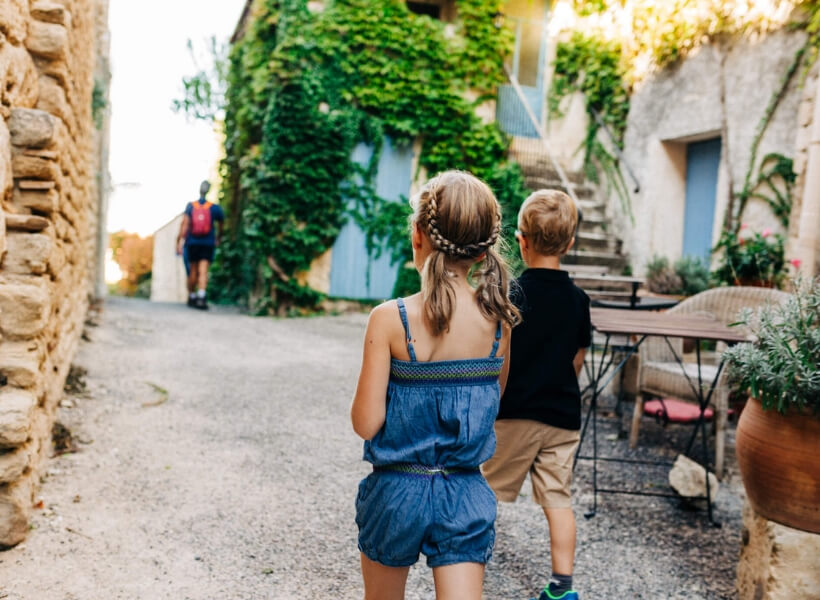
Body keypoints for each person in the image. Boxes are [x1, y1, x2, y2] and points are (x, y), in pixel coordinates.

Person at [351, 171, 520, 600]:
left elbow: (367, 424)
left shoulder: (390, 319)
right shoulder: (498, 321)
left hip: (396, 493)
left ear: (419, 235)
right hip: (464, 491)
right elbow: (489, 404)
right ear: (485, 247)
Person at [482, 189, 591, 600]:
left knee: (485, 490)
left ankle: (469, 561)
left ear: (521, 241)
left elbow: (497, 355)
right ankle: (562, 587)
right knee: (558, 499)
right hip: (562, 417)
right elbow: (578, 357)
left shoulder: (512, 293)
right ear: (571, 243)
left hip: (515, 413)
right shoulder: (579, 300)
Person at [176, 180, 225, 310]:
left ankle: (192, 296)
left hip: (192, 242)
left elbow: (184, 225)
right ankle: (201, 296)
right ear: (208, 190)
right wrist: (218, 238)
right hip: (208, 243)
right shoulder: (214, 208)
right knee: (203, 270)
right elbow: (221, 225)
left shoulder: (191, 206)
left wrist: (179, 242)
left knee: (192, 270)